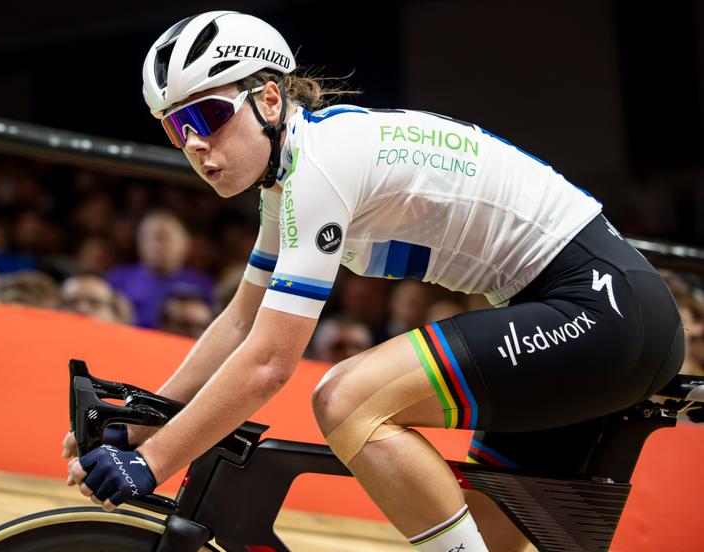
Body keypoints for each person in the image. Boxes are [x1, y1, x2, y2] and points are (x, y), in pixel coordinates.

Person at [64, 11, 684, 552]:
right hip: (587, 316)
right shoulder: (291, 178)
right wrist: (140, 421)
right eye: (178, 128)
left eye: (209, 114)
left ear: (270, 101)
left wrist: (153, 462)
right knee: (483, 541)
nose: (197, 143)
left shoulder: (321, 169)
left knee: (346, 400)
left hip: (598, 308)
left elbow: (269, 365)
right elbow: (240, 322)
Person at [106, 210, 214, 329]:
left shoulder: (203, 285)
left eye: (164, 238)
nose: (156, 245)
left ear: (185, 244)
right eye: (148, 238)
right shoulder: (117, 280)